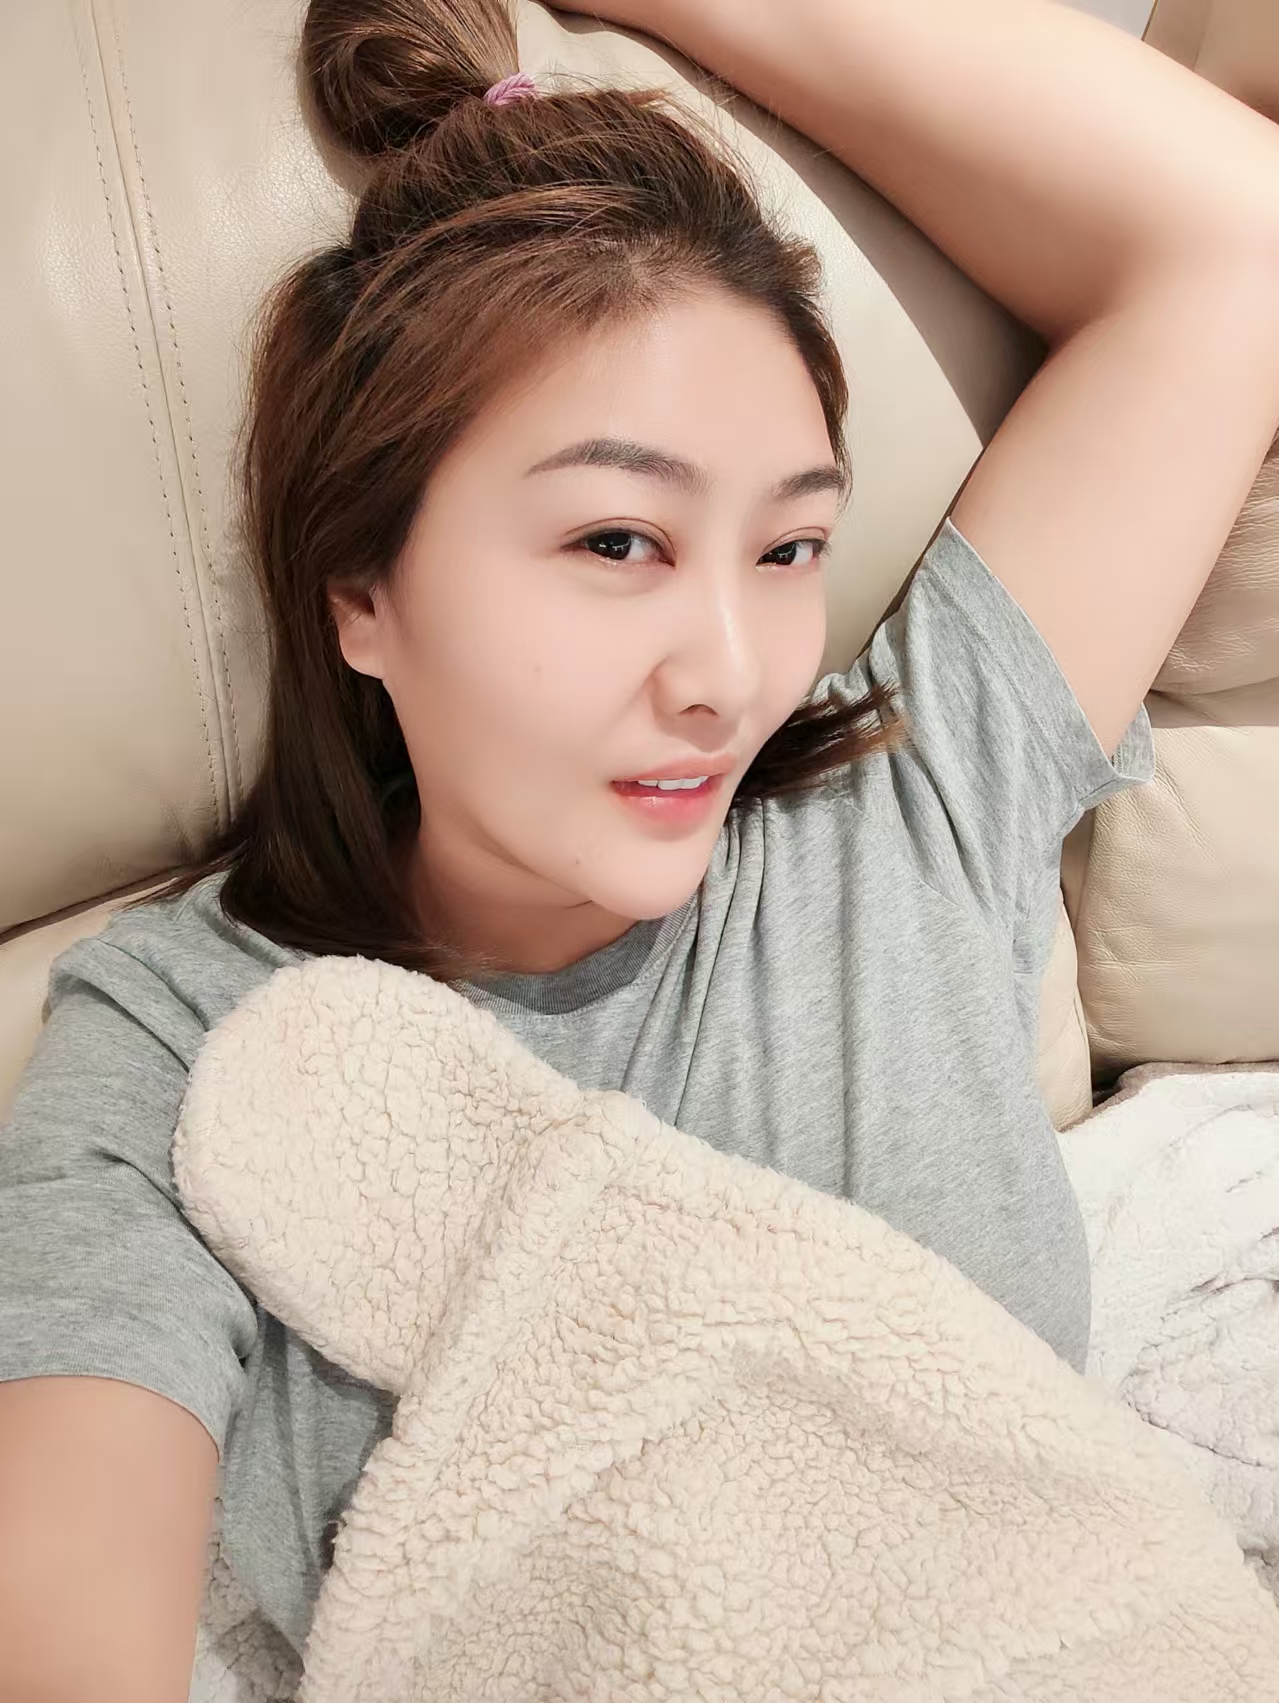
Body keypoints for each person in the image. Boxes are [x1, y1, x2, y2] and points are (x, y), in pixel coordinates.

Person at [4, 0, 1279, 1694]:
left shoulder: (908, 797)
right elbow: (68, 1599)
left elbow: (1238, 236)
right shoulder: (192, 1040)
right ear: (362, 590)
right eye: (618, 541)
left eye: (790, 547)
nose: (734, 675)